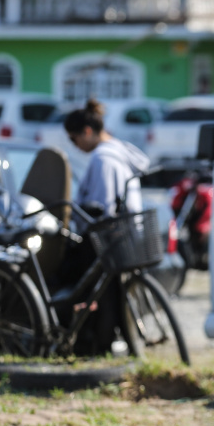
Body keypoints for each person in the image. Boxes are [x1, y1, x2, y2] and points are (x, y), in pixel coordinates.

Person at [63, 97, 151, 354]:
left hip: (108, 236)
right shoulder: (121, 150)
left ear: (87, 131)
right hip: (127, 234)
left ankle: (93, 342)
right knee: (112, 292)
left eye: (73, 138)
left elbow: (100, 208)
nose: (74, 145)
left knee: (75, 275)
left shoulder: (103, 159)